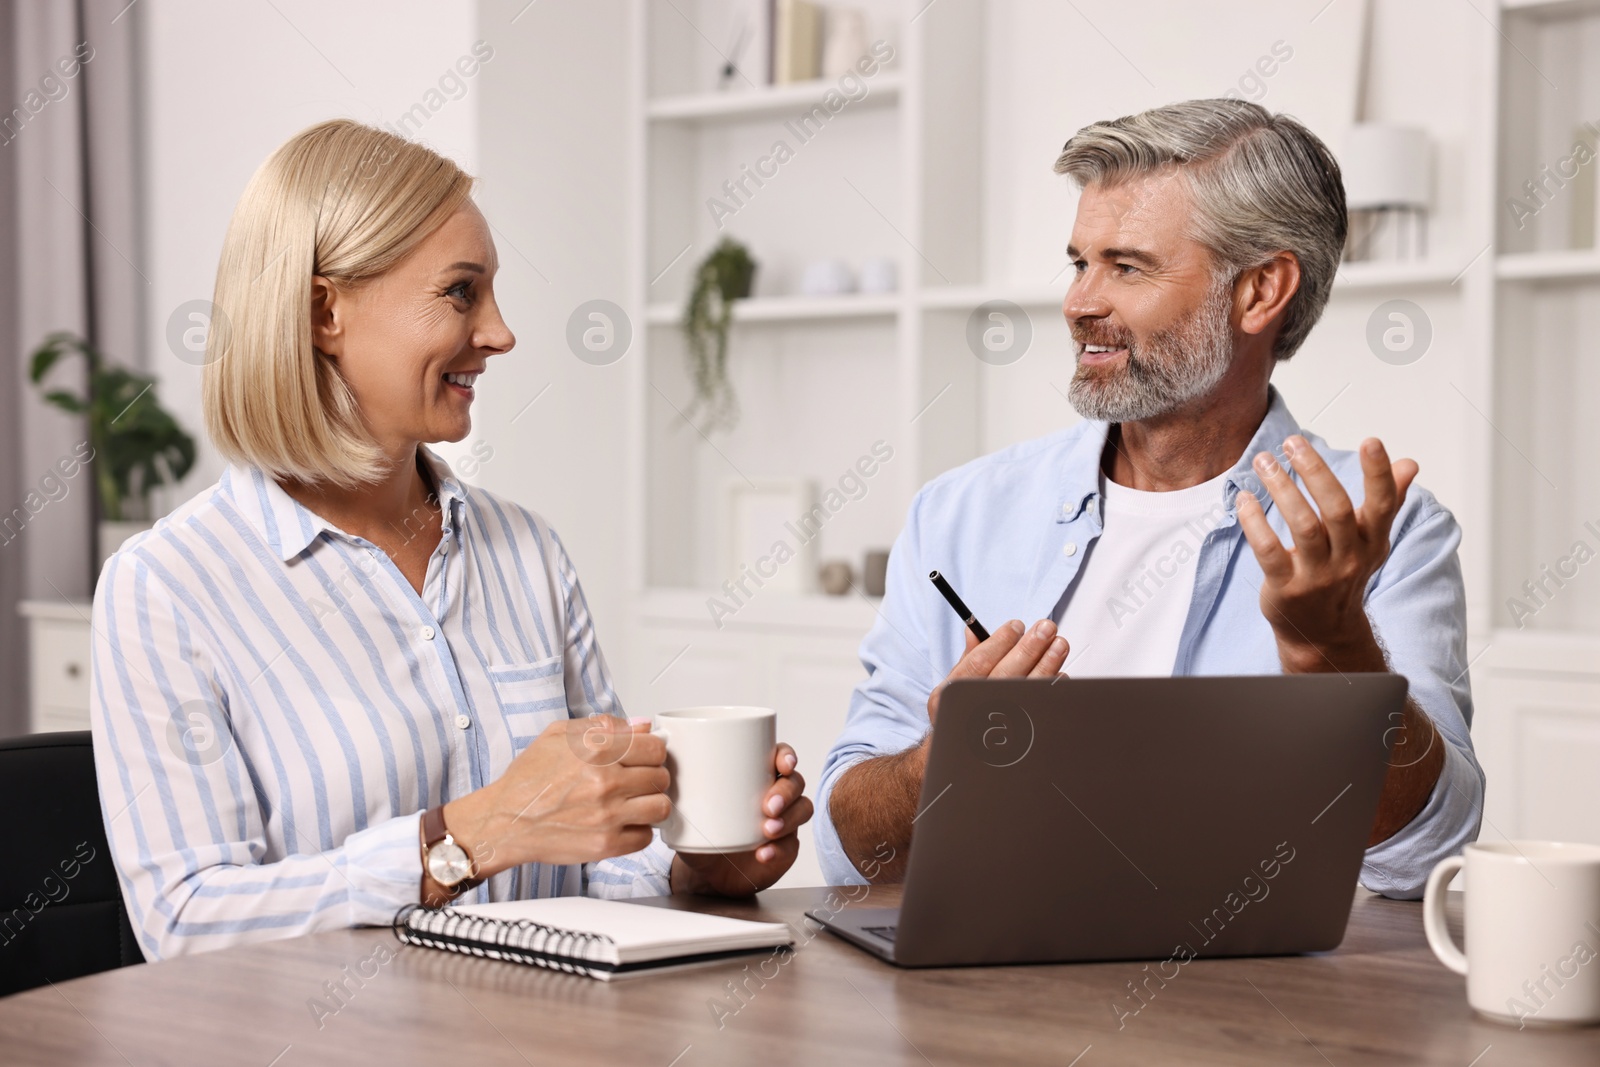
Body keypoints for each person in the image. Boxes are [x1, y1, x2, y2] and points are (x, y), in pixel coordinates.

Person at [90, 120, 812, 960]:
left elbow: (610, 860)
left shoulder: (526, 552)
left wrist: (699, 866)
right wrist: (468, 835)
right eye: (462, 292)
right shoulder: (165, 589)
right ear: (326, 310)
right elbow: (184, 920)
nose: (500, 332)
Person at [815, 99, 1482, 898]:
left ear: (1261, 291)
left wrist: (1334, 650)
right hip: (986, 1005)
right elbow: (847, 849)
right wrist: (944, 762)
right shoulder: (958, 515)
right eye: (1078, 263)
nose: (1078, 303)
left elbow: (1423, 856)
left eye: (1126, 267)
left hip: (1254, 1016)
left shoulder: (1383, 532)